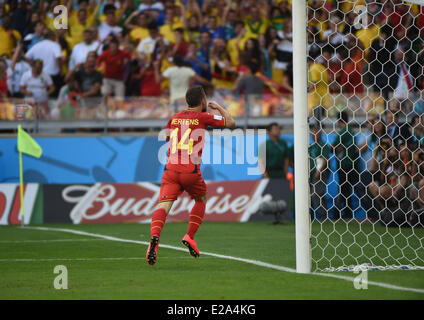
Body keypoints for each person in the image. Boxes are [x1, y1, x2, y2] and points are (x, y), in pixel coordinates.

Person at [146, 86, 235, 265]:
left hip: (171, 169)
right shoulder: (203, 117)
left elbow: (165, 137)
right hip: (190, 170)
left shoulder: (175, 117)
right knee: (201, 198)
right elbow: (230, 123)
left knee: (163, 205)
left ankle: (154, 240)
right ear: (203, 101)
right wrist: (218, 107)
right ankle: (190, 236)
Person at [331, 111, 360, 220]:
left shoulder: (343, 132)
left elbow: (332, 148)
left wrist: (337, 147)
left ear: (339, 121)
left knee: (343, 190)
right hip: (353, 164)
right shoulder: (352, 131)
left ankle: (338, 215)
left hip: (344, 165)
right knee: (350, 190)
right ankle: (347, 213)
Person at [309, 122, 330, 220]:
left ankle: (323, 216)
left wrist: (319, 171)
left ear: (320, 135)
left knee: (317, 194)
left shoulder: (323, 145)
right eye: (311, 134)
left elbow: (326, 159)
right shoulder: (312, 146)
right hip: (314, 174)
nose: (313, 136)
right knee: (317, 194)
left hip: (321, 173)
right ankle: (318, 216)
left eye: (315, 134)